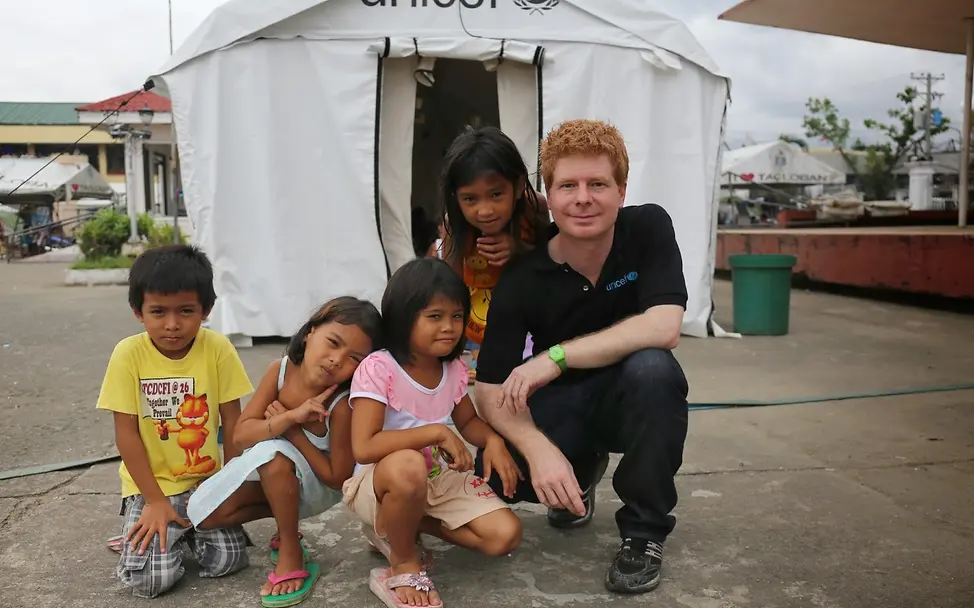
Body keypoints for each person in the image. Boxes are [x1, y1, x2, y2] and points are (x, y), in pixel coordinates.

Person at [472, 119, 690, 595]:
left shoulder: (648, 227)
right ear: (548, 196)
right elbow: (487, 391)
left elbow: (664, 325)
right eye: (567, 185)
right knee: (493, 469)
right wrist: (538, 449)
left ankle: (643, 533)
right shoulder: (524, 276)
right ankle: (580, 473)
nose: (583, 198)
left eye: (598, 184)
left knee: (654, 370)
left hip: (632, 397)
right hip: (566, 407)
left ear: (621, 190)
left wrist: (553, 356)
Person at [342, 257, 524, 608]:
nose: (449, 327)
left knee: (505, 537)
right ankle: (403, 562)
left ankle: (402, 528)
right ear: (403, 318)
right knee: (408, 465)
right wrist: (436, 433)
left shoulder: (453, 368)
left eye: (457, 316)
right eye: (435, 317)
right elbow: (365, 447)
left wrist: (493, 440)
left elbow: (468, 422)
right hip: (380, 482)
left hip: (439, 479)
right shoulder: (380, 368)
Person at [185, 297, 382, 606]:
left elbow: (337, 478)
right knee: (210, 515)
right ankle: (284, 520)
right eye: (333, 342)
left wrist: (291, 431)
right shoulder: (280, 371)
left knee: (276, 454)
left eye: (354, 358)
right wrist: (289, 417)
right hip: (279, 480)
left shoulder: (341, 404)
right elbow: (240, 434)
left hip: (319, 487)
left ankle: (291, 550)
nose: (336, 359)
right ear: (309, 333)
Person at [95, 244, 255, 599]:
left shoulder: (218, 348)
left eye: (185, 311)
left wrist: (226, 486)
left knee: (228, 561)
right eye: (158, 311)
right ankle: (141, 533)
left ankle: (183, 533)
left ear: (206, 310)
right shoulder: (128, 354)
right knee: (151, 582)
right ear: (138, 311)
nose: (171, 324)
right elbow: (127, 435)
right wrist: (153, 501)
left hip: (204, 483)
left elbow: (233, 422)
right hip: (150, 487)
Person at [437, 125, 549, 379]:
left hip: (532, 328)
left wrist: (518, 248)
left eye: (496, 194)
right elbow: (450, 287)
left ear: (519, 186)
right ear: (456, 198)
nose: (485, 210)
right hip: (477, 332)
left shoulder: (534, 208)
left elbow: (552, 261)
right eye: (470, 199)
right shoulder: (453, 226)